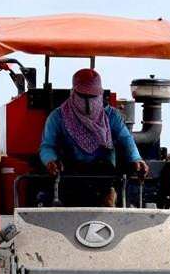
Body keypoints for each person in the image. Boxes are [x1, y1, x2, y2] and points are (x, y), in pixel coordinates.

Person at [39, 68, 148, 206]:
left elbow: (125, 139)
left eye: (93, 97)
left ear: (100, 94)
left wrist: (136, 158)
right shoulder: (58, 117)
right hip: (70, 180)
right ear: (73, 93)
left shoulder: (112, 116)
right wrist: (50, 160)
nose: (88, 103)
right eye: (83, 97)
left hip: (104, 181)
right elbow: (47, 146)